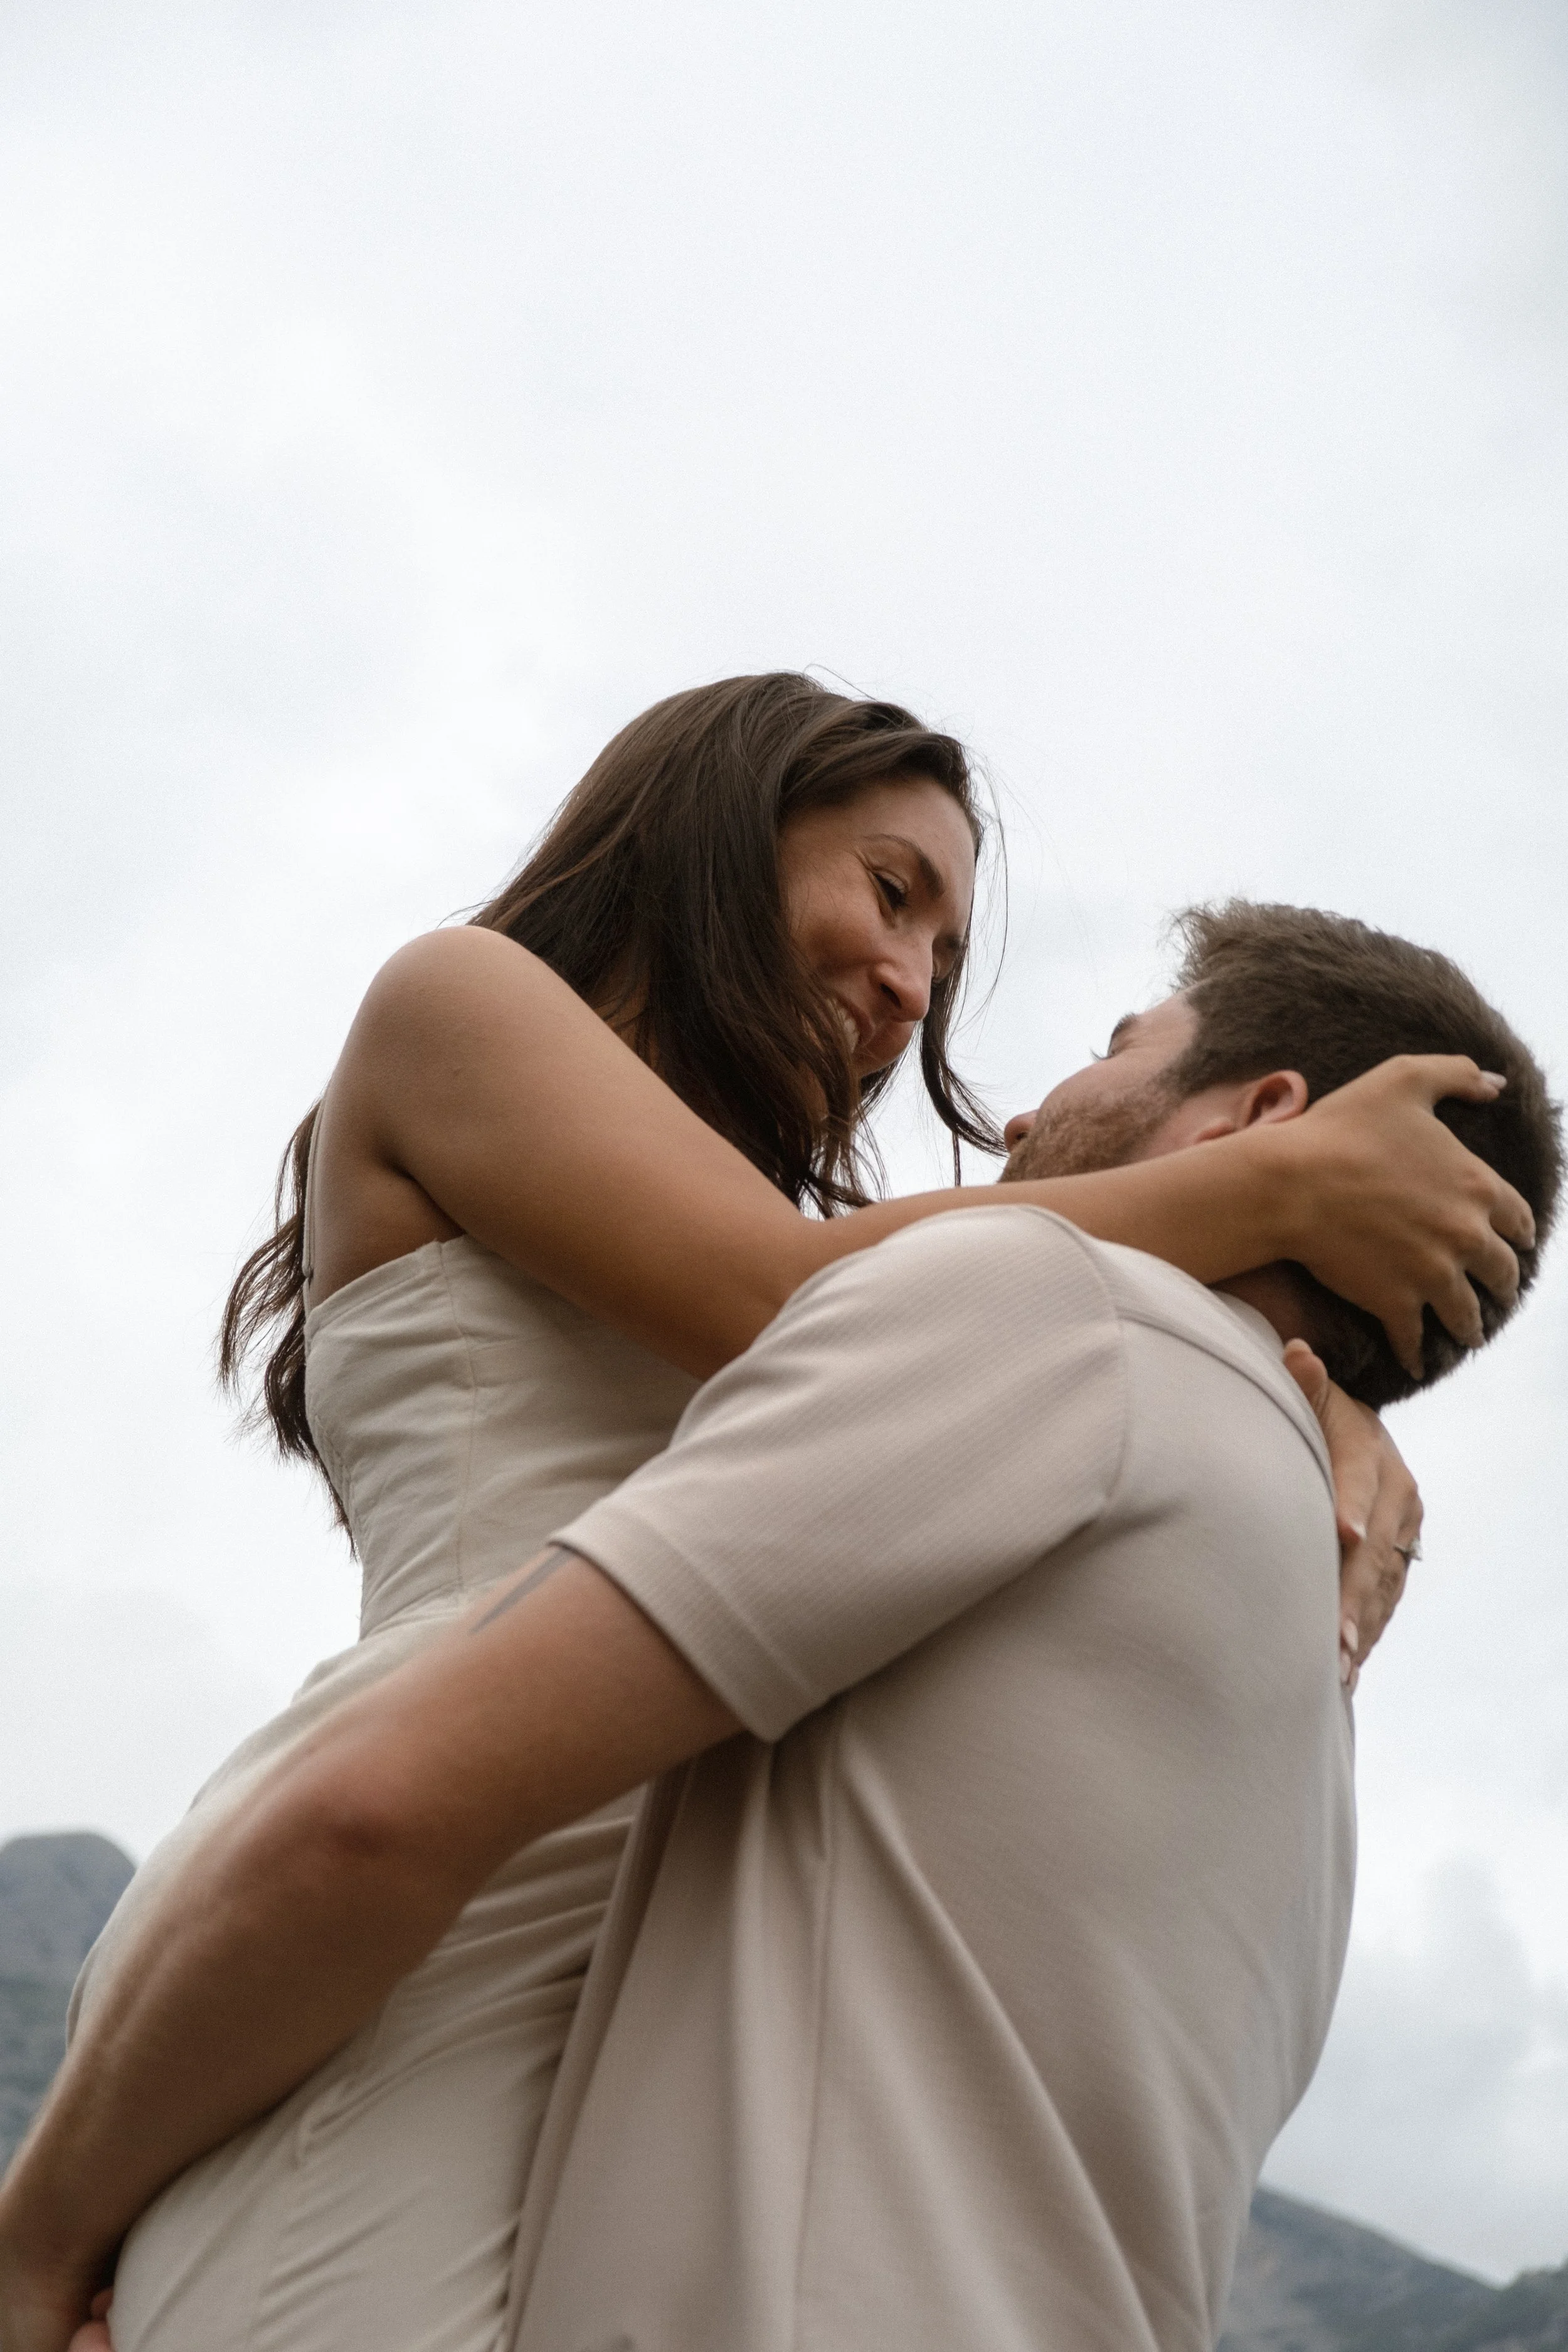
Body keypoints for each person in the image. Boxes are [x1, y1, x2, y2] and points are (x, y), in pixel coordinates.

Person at [0, 771, 1533, 2352]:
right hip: (444, 1847)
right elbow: (784, 1296)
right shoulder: (465, 1004)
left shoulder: (955, 1294)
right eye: (889, 891)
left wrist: (1310, 1394)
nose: (916, 985)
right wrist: (1260, 1200)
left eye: (943, 951)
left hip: (670, 1904)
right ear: (717, 829)